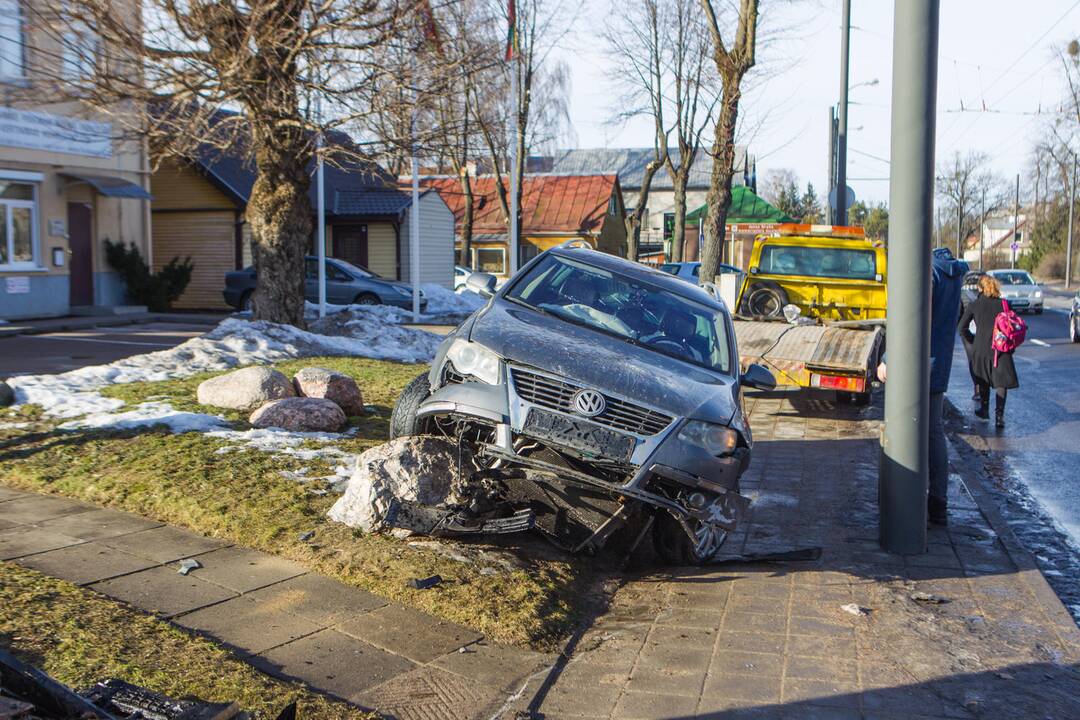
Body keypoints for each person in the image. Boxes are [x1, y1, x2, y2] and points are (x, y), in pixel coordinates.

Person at [876, 247, 968, 525]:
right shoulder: (954, 276)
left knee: (907, 428)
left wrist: (889, 359)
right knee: (934, 433)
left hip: (915, 365)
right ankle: (938, 502)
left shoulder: (929, 274)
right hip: (939, 364)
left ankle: (907, 501)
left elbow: (914, 320)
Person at [958, 274, 1019, 429]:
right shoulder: (1004, 304)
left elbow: (961, 328)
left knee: (983, 379)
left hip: (981, 348)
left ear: (980, 288)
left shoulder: (974, 305)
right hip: (1001, 348)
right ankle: (1000, 417)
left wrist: (972, 339)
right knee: (1001, 383)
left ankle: (984, 410)